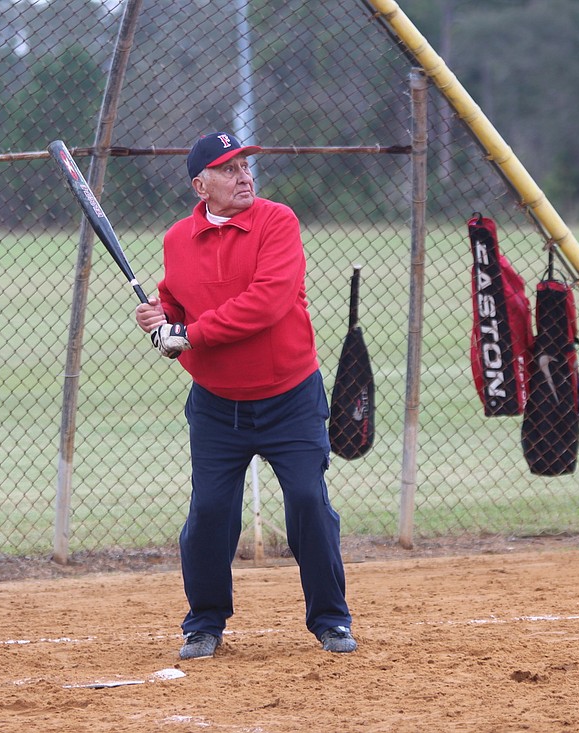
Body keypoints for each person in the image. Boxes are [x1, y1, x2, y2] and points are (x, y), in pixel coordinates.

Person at [135, 132, 356, 659]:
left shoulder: (277, 221)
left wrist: (189, 334)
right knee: (210, 512)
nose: (243, 176)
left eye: (244, 166)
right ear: (200, 184)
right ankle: (204, 624)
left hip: (290, 396)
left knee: (308, 501)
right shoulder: (176, 240)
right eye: (228, 169)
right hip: (216, 405)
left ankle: (330, 620)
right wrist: (159, 319)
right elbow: (175, 303)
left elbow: (267, 302)